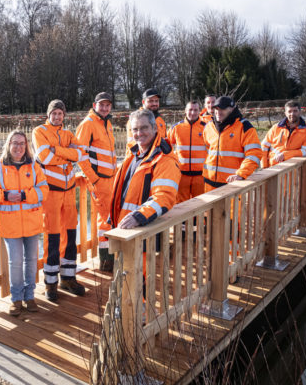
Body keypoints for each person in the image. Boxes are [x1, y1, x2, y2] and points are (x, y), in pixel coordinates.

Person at [33, 99, 98, 301]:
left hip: (69, 191)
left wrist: (58, 151)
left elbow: (80, 153)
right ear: (48, 114)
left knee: (70, 235)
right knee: (51, 236)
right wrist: (67, 155)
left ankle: (68, 278)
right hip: (51, 192)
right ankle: (50, 283)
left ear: (64, 115)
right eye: (54, 113)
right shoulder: (39, 132)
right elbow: (44, 157)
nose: (57, 116)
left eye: (60, 113)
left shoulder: (69, 134)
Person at [0, 130, 49, 316]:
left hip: (32, 222)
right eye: (15, 143)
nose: (18, 147)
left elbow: (44, 189)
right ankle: (16, 300)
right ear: (8, 145)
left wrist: (26, 195)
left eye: (22, 143)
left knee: (32, 261)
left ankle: (30, 296)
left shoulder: (34, 166)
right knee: (16, 262)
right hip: (10, 225)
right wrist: (4, 196)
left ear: (26, 146)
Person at [109, 109, 180, 280]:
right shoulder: (134, 154)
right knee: (124, 278)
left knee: (137, 279)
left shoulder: (164, 160)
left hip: (142, 230)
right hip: (125, 228)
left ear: (155, 128)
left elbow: (164, 196)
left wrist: (139, 216)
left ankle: (139, 306)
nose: (139, 133)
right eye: (135, 129)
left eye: (144, 128)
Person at [75, 92, 116, 272]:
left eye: (108, 105)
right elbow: (80, 155)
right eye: (102, 105)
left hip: (111, 178)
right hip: (99, 180)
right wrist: (94, 179)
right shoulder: (88, 124)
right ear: (94, 105)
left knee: (111, 217)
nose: (105, 108)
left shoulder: (107, 123)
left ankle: (112, 256)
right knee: (105, 220)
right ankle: (106, 261)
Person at [202, 96, 263, 192]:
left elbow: (254, 153)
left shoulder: (244, 127)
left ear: (232, 109)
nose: (218, 112)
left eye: (222, 109)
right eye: (216, 109)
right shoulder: (209, 126)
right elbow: (206, 152)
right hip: (209, 183)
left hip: (233, 184)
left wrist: (241, 174)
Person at [167, 100, 208, 203]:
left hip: (200, 175)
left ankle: (199, 220)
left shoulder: (207, 127)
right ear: (185, 111)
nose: (193, 112)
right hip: (182, 174)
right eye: (190, 109)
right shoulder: (176, 128)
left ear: (200, 111)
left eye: (195, 110)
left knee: (200, 204)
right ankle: (184, 221)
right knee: (181, 204)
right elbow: (167, 148)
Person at [261, 100, 306, 168]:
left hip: (292, 169)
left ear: (300, 112)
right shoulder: (276, 127)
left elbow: (305, 151)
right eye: (289, 111)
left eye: (295, 111)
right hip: (273, 168)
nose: (292, 114)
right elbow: (264, 146)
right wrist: (264, 166)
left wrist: (285, 155)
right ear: (285, 113)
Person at [126, 88, 166, 158]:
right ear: (143, 102)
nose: (154, 104)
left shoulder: (160, 120)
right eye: (150, 101)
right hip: (142, 160)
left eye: (156, 101)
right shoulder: (135, 120)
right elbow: (132, 145)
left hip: (160, 161)